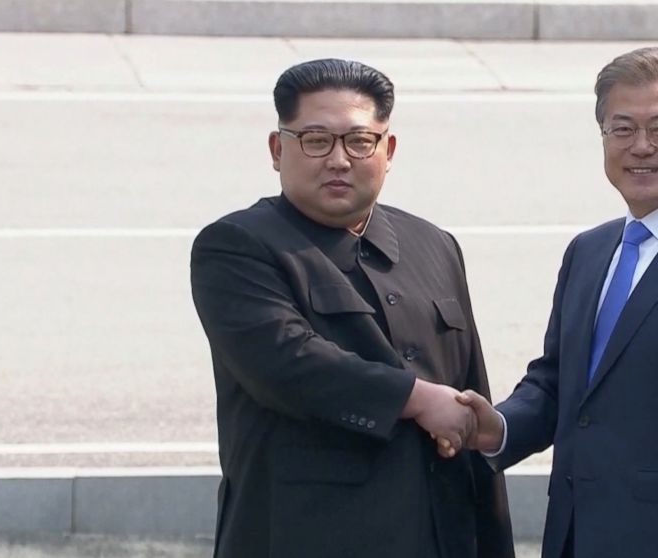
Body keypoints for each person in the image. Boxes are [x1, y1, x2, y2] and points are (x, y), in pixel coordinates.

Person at [454, 47, 658, 558]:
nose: (640, 147)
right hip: (573, 537)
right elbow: (556, 383)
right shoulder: (589, 251)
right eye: (622, 129)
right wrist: (497, 427)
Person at [190, 58, 514, 558]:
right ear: (278, 150)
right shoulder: (238, 246)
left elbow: (468, 399)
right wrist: (419, 398)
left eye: (359, 141)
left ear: (388, 149)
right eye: (316, 140)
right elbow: (288, 362)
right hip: (305, 536)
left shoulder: (434, 244)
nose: (339, 160)